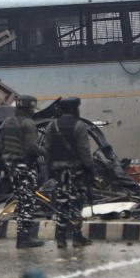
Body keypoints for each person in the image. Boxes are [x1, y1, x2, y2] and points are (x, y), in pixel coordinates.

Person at [43, 97, 94, 248]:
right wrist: (90, 169)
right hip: (75, 171)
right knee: (76, 203)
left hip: (58, 171)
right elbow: (84, 151)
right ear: (73, 108)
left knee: (61, 203)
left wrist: (48, 171)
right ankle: (77, 237)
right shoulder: (79, 126)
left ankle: (60, 238)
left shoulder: (52, 126)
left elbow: (47, 151)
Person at [0, 94, 44, 249]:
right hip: (25, 165)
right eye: (32, 107)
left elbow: (1, 144)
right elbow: (32, 147)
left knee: (20, 199)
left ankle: (23, 236)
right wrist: (47, 152)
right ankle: (24, 238)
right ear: (28, 108)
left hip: (11, 166)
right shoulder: (28, 123)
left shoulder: (7, 122)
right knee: (27, 201)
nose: (33, 110)